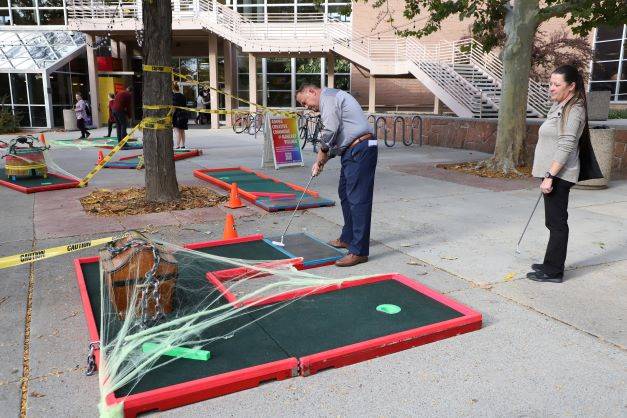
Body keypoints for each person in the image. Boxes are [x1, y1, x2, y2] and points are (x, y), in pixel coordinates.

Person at [528, 64, 602, 283]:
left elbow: (567, 144)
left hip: (559, 175)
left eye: (556, 84)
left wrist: (550, 175)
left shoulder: (574, 109)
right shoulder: (561, 105)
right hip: (553, 173)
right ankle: (550, 263)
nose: (551, 87)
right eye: (550, 83)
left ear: (571, 86)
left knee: (557, 223)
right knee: (553, 222)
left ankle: (554, 271)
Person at [296, 84, 378, 267]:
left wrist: (321, 154)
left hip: (361, 148)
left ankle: (359, 251)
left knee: (358, 199)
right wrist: (324, 159)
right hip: (352, 150)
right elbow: (338, 137)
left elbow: (330, 131)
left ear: (311, 91)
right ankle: (348, 238)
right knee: (346, 194)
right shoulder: (330, 100)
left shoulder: (329, 98)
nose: (306, 107)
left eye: (305, 102)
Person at [172, 82, 188, 149]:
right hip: (184, 114)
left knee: (177, 130)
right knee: (182, 130)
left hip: (177, 115)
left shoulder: (174, 97)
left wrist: (171, 115)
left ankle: (177, 145)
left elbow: (174, 107)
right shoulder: (183, 96)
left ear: (173, 88)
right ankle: (183, 145)